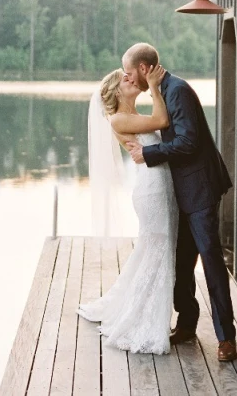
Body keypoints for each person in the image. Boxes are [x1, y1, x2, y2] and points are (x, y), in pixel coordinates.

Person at [123, 42, 237, 363]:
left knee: (211, 261)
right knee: (178, 261)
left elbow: (188, 141)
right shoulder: (165, 90)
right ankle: (187, 323)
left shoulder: (178, 91)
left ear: (144, 69)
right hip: (178, 192)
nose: (129, 79)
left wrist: (147, 154)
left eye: (130, 73)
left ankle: (226, 339)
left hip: (199, 189)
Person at [77, 64, 179, 355]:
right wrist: (156, 88)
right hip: (152, 189)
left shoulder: (132, 115)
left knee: (153, 251)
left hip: (161, 186)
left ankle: (139, 310)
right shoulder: (119, 119)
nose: (132, 79)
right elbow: (162, 119)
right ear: (115, 90)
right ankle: (143, 322)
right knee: (157, 252)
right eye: (125, 78)